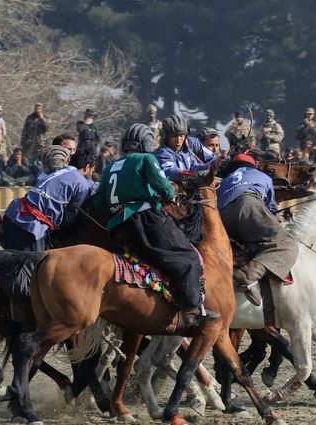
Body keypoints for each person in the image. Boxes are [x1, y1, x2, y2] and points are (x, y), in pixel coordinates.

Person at [95, 124, 219, 331]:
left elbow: (99, 201)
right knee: (188, 257)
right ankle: (193, 312)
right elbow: (165, 188)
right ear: (145, 142)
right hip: (146, 220)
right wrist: (167, 195)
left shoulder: (110, 167)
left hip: (117, 225)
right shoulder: (146, 159)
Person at [216, 152, 300, 306]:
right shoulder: (263, 177)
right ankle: (248, 276)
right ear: (253, 166)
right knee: (286, 245)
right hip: (249, 206)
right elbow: (271, 210)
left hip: (222, 215)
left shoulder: (224, 180)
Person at [1, 146, 97, 251]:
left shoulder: (55, 171)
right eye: (92, 169)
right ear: (87, 167)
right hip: (30, 226)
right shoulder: (82, 184)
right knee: (33, 265)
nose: (92, 173)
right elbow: (71, 216)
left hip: (13, 213)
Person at [154, 115, 214, 181]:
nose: (178, 140)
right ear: (166, 137)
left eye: (181, 135)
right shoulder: (162, 153)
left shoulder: (186, 151)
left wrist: (212, 165)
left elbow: (194, 167)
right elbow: (169, 170)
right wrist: (190, 174)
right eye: (174, 136)